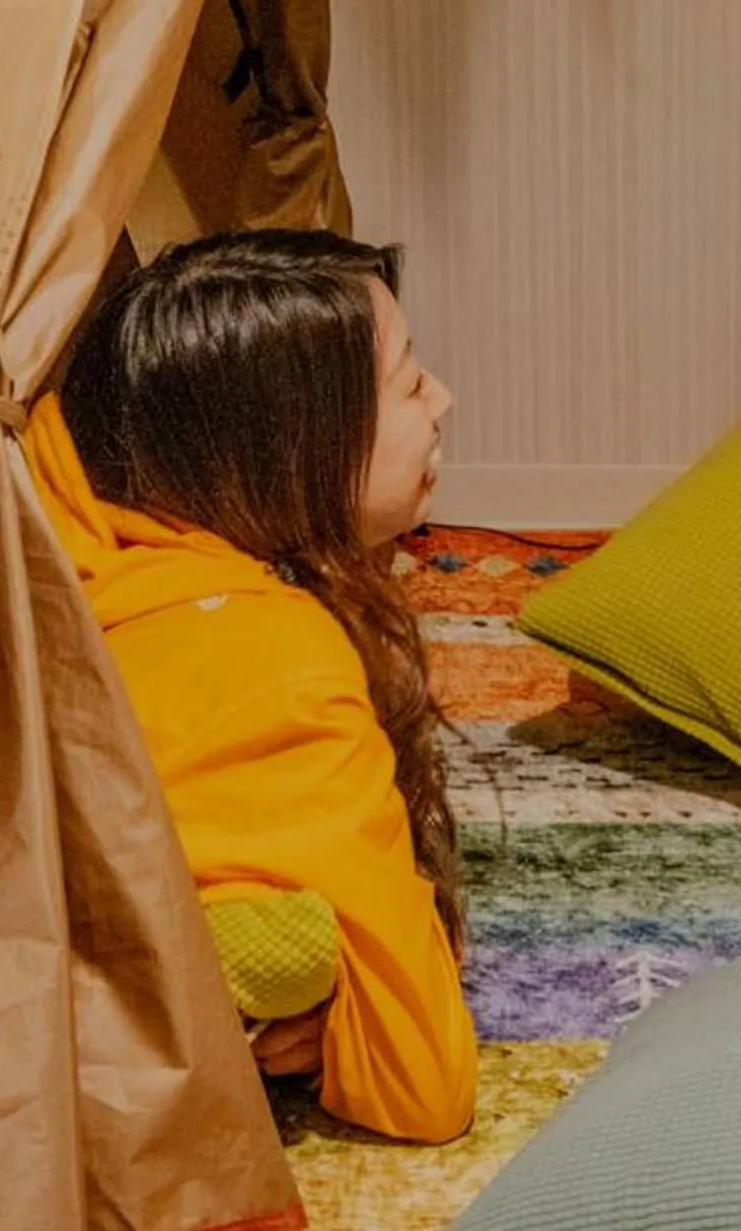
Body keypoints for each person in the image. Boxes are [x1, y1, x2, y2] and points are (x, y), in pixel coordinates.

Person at [25, 229, 479, 1142]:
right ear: (292, 444)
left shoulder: (65, 543)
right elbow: (430, 1086)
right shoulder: (281, 658)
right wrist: (349, 1011)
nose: (443, 402)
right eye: (408, 384)